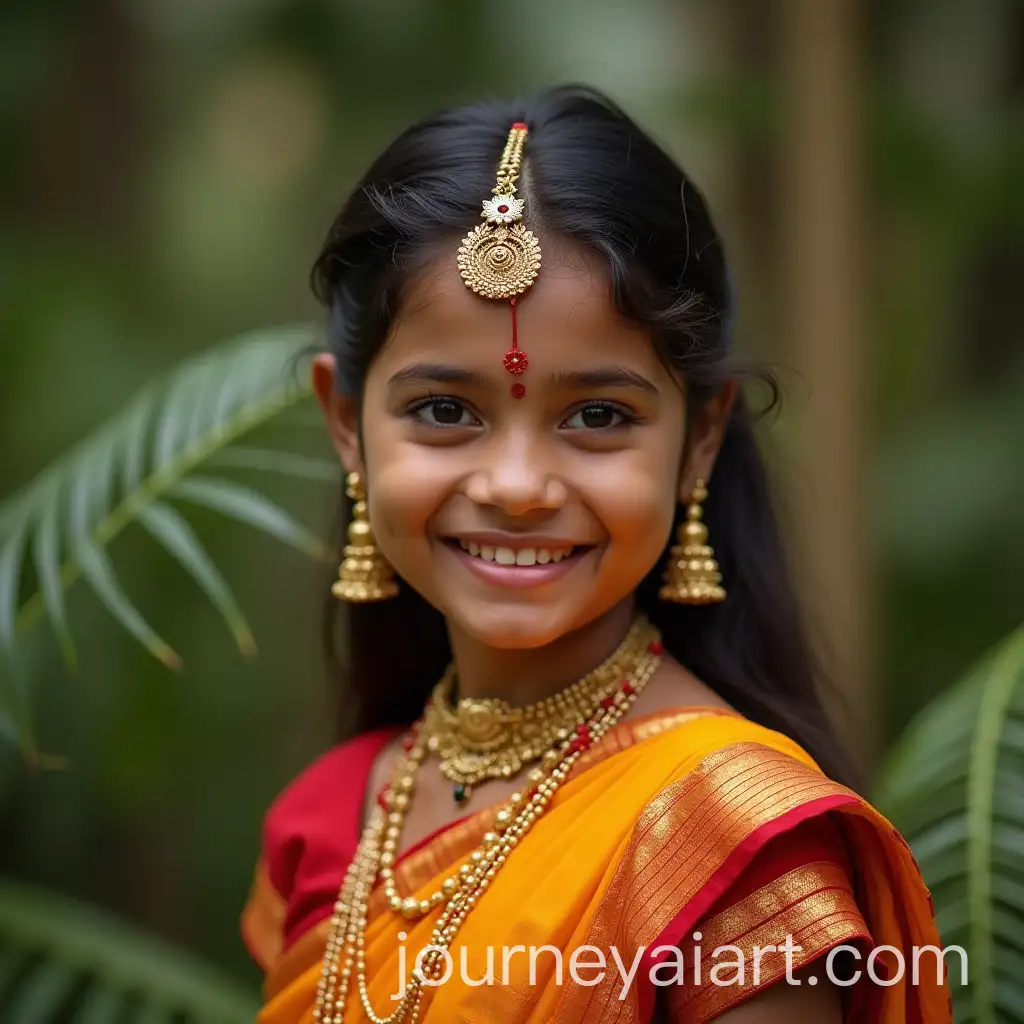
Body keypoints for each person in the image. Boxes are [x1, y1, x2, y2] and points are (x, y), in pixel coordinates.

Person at [240, 86, 951, 1023]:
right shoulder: (325, 820)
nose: (518, 485)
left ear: (700, 438)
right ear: (345, 424)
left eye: (598, 416)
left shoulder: (731, 846)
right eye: (446, 411)